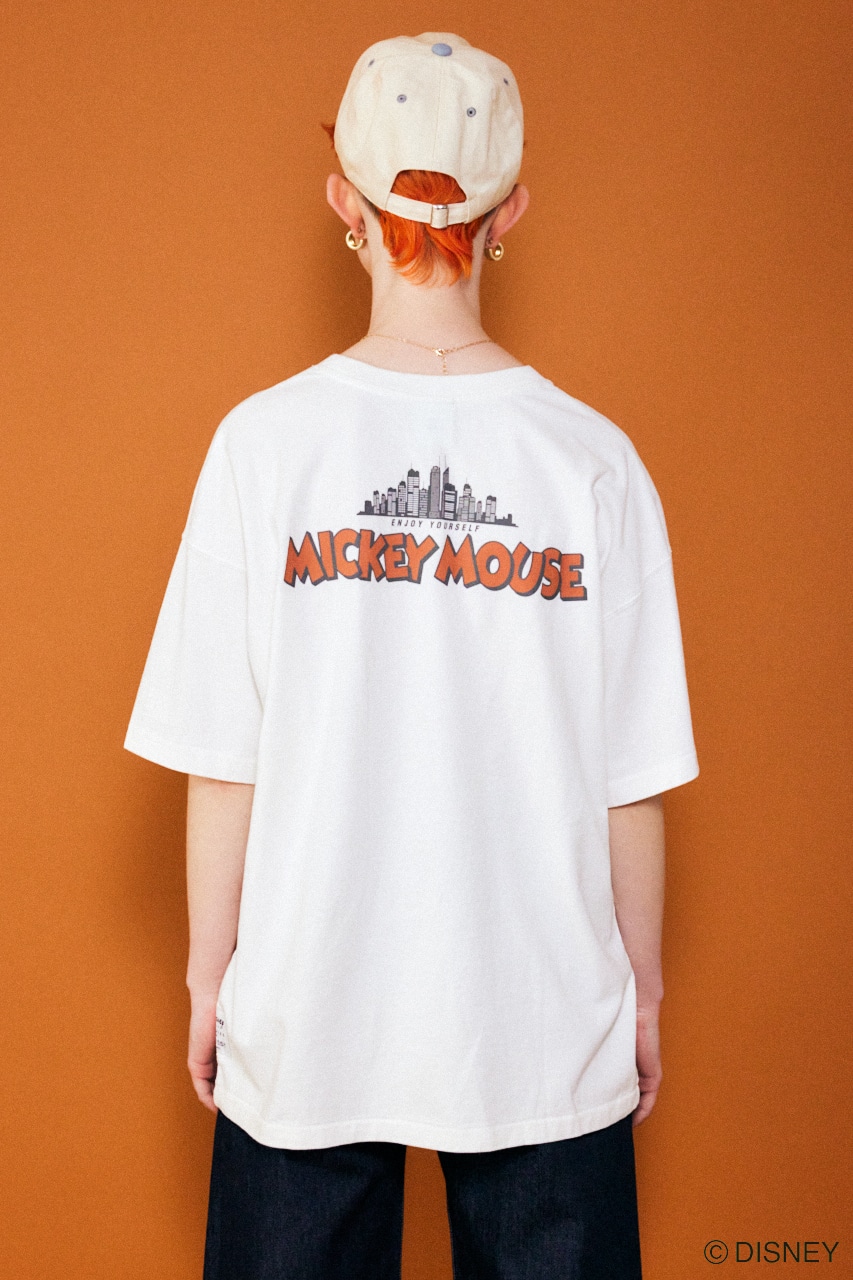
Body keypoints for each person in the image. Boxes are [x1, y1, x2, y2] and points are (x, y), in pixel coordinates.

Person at [125, 31, 699, 1280]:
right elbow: (631, 777)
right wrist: (641, 987)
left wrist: (210, 974)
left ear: (345, 198)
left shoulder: (262, 446)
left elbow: (225, 758)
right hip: (543, 1011)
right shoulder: (593, 462)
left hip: (310, 1002)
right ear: (510, 212)